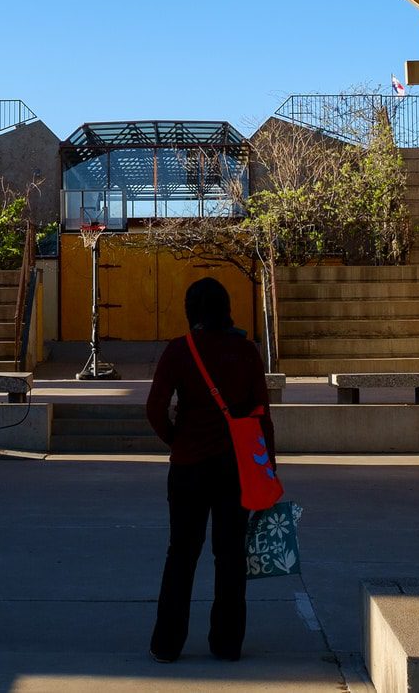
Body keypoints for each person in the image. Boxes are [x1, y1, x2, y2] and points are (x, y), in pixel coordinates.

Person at [144, 277, 276, 663]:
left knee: (181, 554)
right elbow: (262, 414)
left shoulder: (180, 350)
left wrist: (177, 439)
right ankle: (227, 643)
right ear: (226, 308)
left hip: (188, 468)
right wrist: (269, 468)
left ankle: (167, 644)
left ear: (191, 310)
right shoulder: (246, 351)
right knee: (230, 556)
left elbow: (154, 408)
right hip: (236, 468)